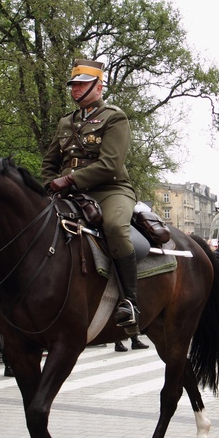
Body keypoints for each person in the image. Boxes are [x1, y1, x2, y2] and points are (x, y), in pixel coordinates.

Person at [41, 59, 139, 329]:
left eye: (82, 84)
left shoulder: (114, 117)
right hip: (68, 193)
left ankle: (130, 301)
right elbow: (49, 163)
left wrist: (68, 180)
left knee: (115, 229)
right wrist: (50, 183)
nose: (75, 89)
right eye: (73, 84)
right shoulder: (65, 122)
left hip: (109, 189)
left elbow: (110, 165)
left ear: (98, 86)